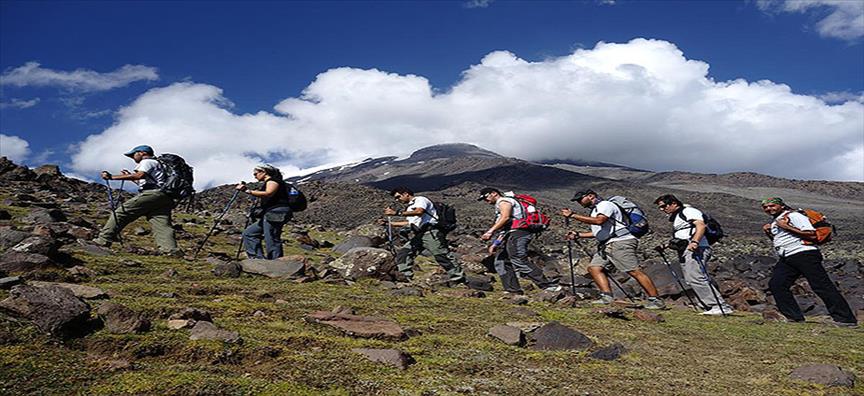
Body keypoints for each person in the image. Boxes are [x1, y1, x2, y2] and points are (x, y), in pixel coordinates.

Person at [561, 189, 665, 309]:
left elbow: (600, 221)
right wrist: (578, 235)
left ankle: (656, 300)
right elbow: (599, 232)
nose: (579, 202)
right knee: (594, 268)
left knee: (633, 271)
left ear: (591, 196)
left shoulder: (605, 205)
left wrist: (573, 215)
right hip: (608, 244)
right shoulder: (596, 210)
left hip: (620, 242)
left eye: (580, 199)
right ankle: (606, 297)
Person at [761, 197, 857, 327]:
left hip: (804, 254)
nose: (768, 209)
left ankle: (845, 319)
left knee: (821, 285)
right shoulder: (776, 221)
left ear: (781, 206)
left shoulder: (794, 216)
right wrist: (769, 232)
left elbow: (811, 234)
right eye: (765, 207)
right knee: (777, 284)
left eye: (772, 206)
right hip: (787, 256)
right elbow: (782, 239)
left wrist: (786, 226)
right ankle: (793, 316)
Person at [93, 145, 180, 255]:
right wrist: (129, 176)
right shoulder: (161, 165)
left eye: (133, 154)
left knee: (121, 213)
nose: (133, 158)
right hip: (165, 197)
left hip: (152, 194)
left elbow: (139, 175)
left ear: (142, 153)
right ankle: (170, 250)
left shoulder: (147, 161)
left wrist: (112, 177)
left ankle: (102, 241)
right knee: (162, 225)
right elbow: (144, 181)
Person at [654, 194, 733, 315]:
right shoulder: (677, 217)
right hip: (687, 249)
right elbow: (683, 236)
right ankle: (706, 304)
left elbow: (700, 225)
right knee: (691, 279)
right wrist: (665, 246)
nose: (662, 209)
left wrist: (695, 242)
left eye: (664, 206)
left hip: (697, 248)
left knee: (697, 277)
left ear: (674, 203)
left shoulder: (688, 211)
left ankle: (718, 305)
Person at [478, 187, 561, 294]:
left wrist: (490, 232)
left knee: (518, 258)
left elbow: (505, 218)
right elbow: (506, 228)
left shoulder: (504, 201)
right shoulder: (502, 203)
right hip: (511, 234)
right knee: (501, 261)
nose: (486, 201)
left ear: (493, 193)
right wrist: (496, 243)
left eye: (485, 197)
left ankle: (548, 285)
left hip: (519, 233)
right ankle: (513, 290)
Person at [382, 187, 465, 285]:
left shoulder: (420, 200)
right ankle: (405, 277)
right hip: (419, 234)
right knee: (404, 253)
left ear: (406, 194)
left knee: (442, 256)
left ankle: (459, 280)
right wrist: (389, 224)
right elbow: (410, 223)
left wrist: (396, 213)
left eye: (398, 197)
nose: (397, 200)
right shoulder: (409, 207)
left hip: (431, 233)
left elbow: (419, 212)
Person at [236, 164, 292, 259]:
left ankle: (275, 262)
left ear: (264, 172)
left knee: (271, 236)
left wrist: (247, 191)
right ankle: (257, 259)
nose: (255, 176)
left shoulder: (272, 181)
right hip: (272, 212)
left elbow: (269, 193)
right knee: (249, 233)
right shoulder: (269, 182)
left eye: (256, 173)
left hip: (276, 212)